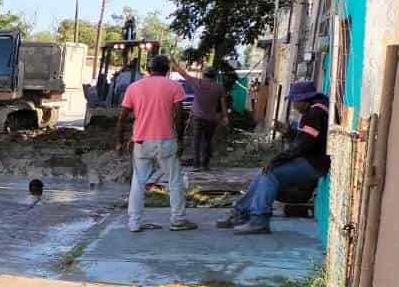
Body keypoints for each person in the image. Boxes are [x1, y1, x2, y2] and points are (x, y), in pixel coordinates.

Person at [219, 82, 330, 235]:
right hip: (313, 160)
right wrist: (289, 133)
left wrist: (276, 159)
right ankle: (240, 212)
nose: (293, 105)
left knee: (270, 173)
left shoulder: (314, 114)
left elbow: (303, 147)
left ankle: (259, 219)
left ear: (303, 100)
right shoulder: (316, 110)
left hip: (315, 164)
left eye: (295, 101)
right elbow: (308, 141)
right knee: (264, 173)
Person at [116, 54, 196, 232]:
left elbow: (121, 118)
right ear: (167, 70)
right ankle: (178, 220)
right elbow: (179, 117)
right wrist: (180, 139)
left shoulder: (134, 87)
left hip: (141, 142)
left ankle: (134, 223)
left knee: (138, 182)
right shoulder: (174, 86)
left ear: (149, 69)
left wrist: (120, 141)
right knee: (175, 180)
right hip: (166, 141)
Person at [174, 61, 226, 169]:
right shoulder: (219, 87)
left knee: (196, 141)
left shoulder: (197, 83)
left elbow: (183, 74)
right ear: (214, 76)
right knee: (207, 140)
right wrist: (225, 117)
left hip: (197, 117)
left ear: (204, 74)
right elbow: (223, 103)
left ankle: (196, 165)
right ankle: (205, 164)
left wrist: (174, 63)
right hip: (211, 119)